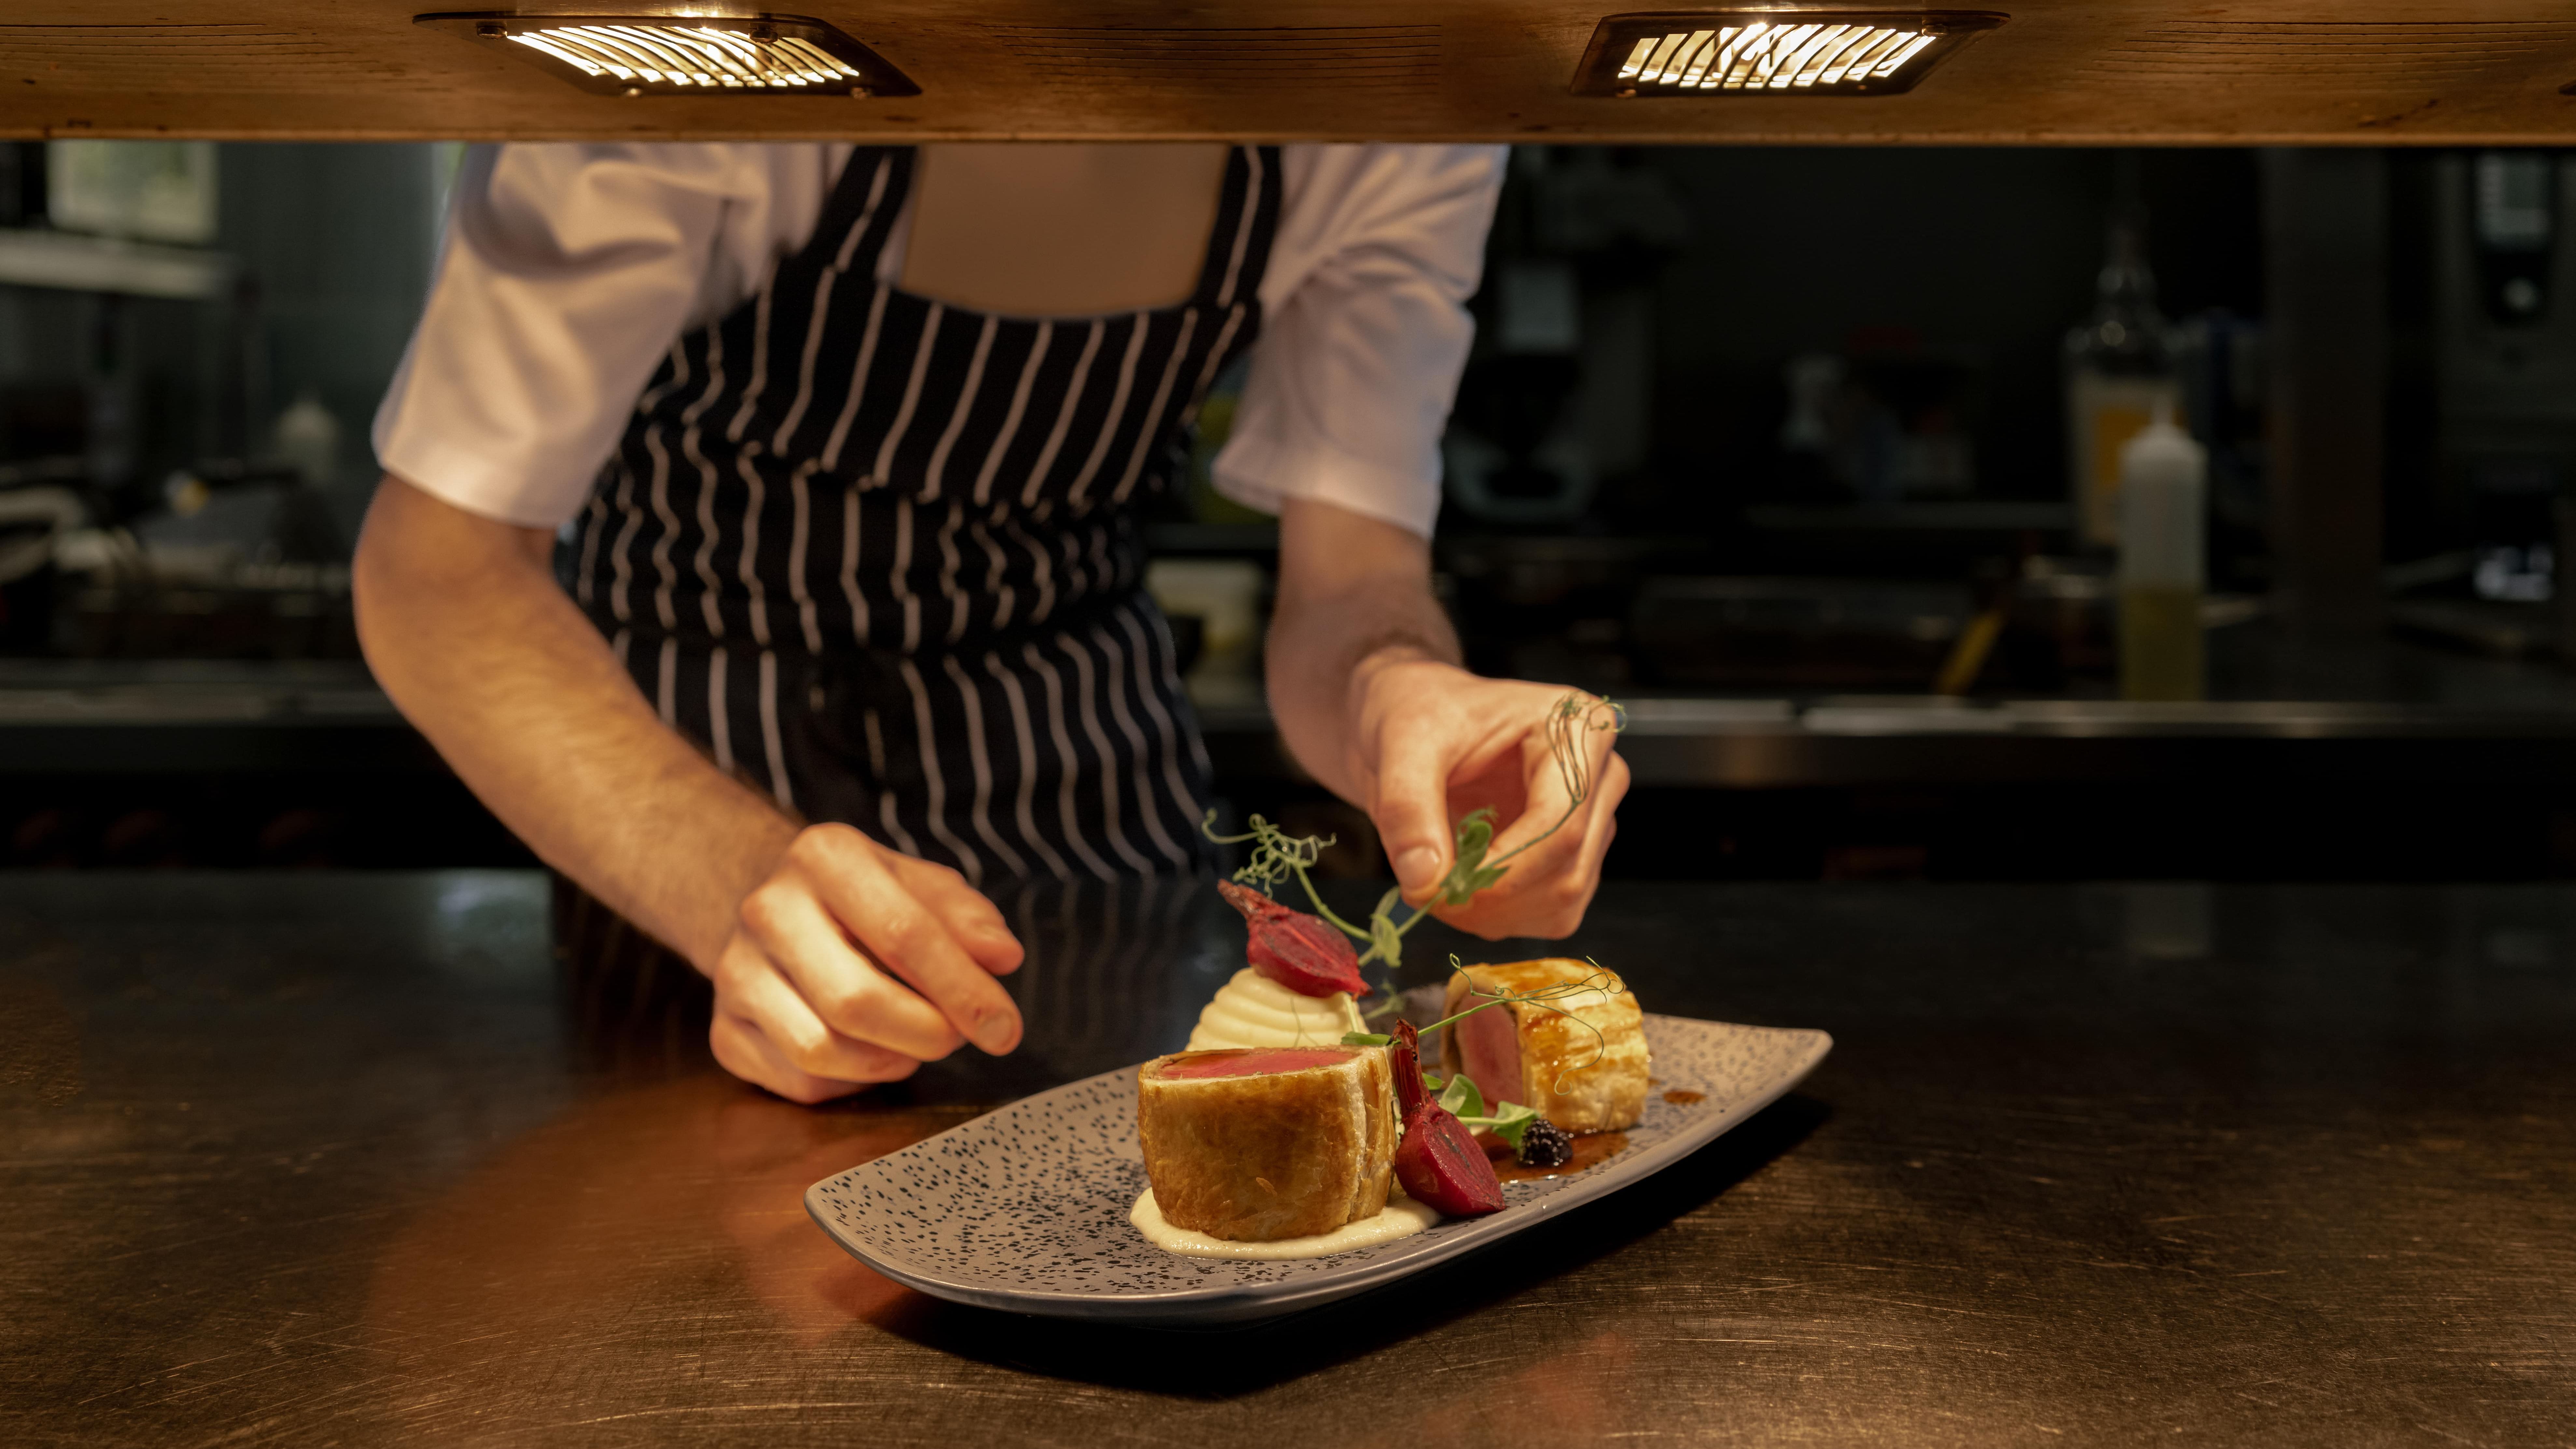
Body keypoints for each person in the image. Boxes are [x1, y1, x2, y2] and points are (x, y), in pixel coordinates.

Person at [354, 142, 1629, 1103]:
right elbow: (441, 573)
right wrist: (723, 875)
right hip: (684, 769)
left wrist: (1394, 685)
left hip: (1080, 771)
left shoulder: (1394, 110)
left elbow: (1348, 582)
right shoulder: (707, 55)